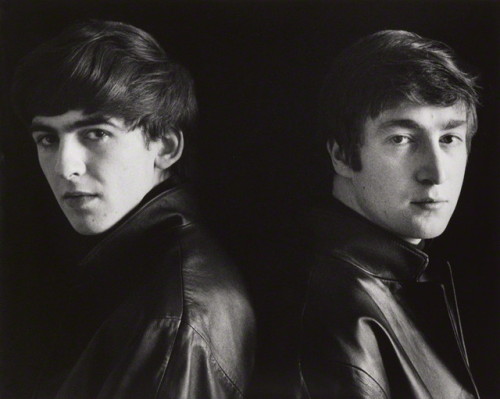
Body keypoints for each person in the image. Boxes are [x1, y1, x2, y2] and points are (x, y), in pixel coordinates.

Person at [9, 20, 255, 398]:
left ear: (166, 147)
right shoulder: (125, 269)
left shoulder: (172, 316)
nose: (65, 167)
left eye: (96, 133)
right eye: (47, 138)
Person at [298, 30, 481, 398]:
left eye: (449, 139)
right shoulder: (335, 315)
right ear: (341, 156)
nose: (436, 173)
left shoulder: (394, 276)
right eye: (402, 138)